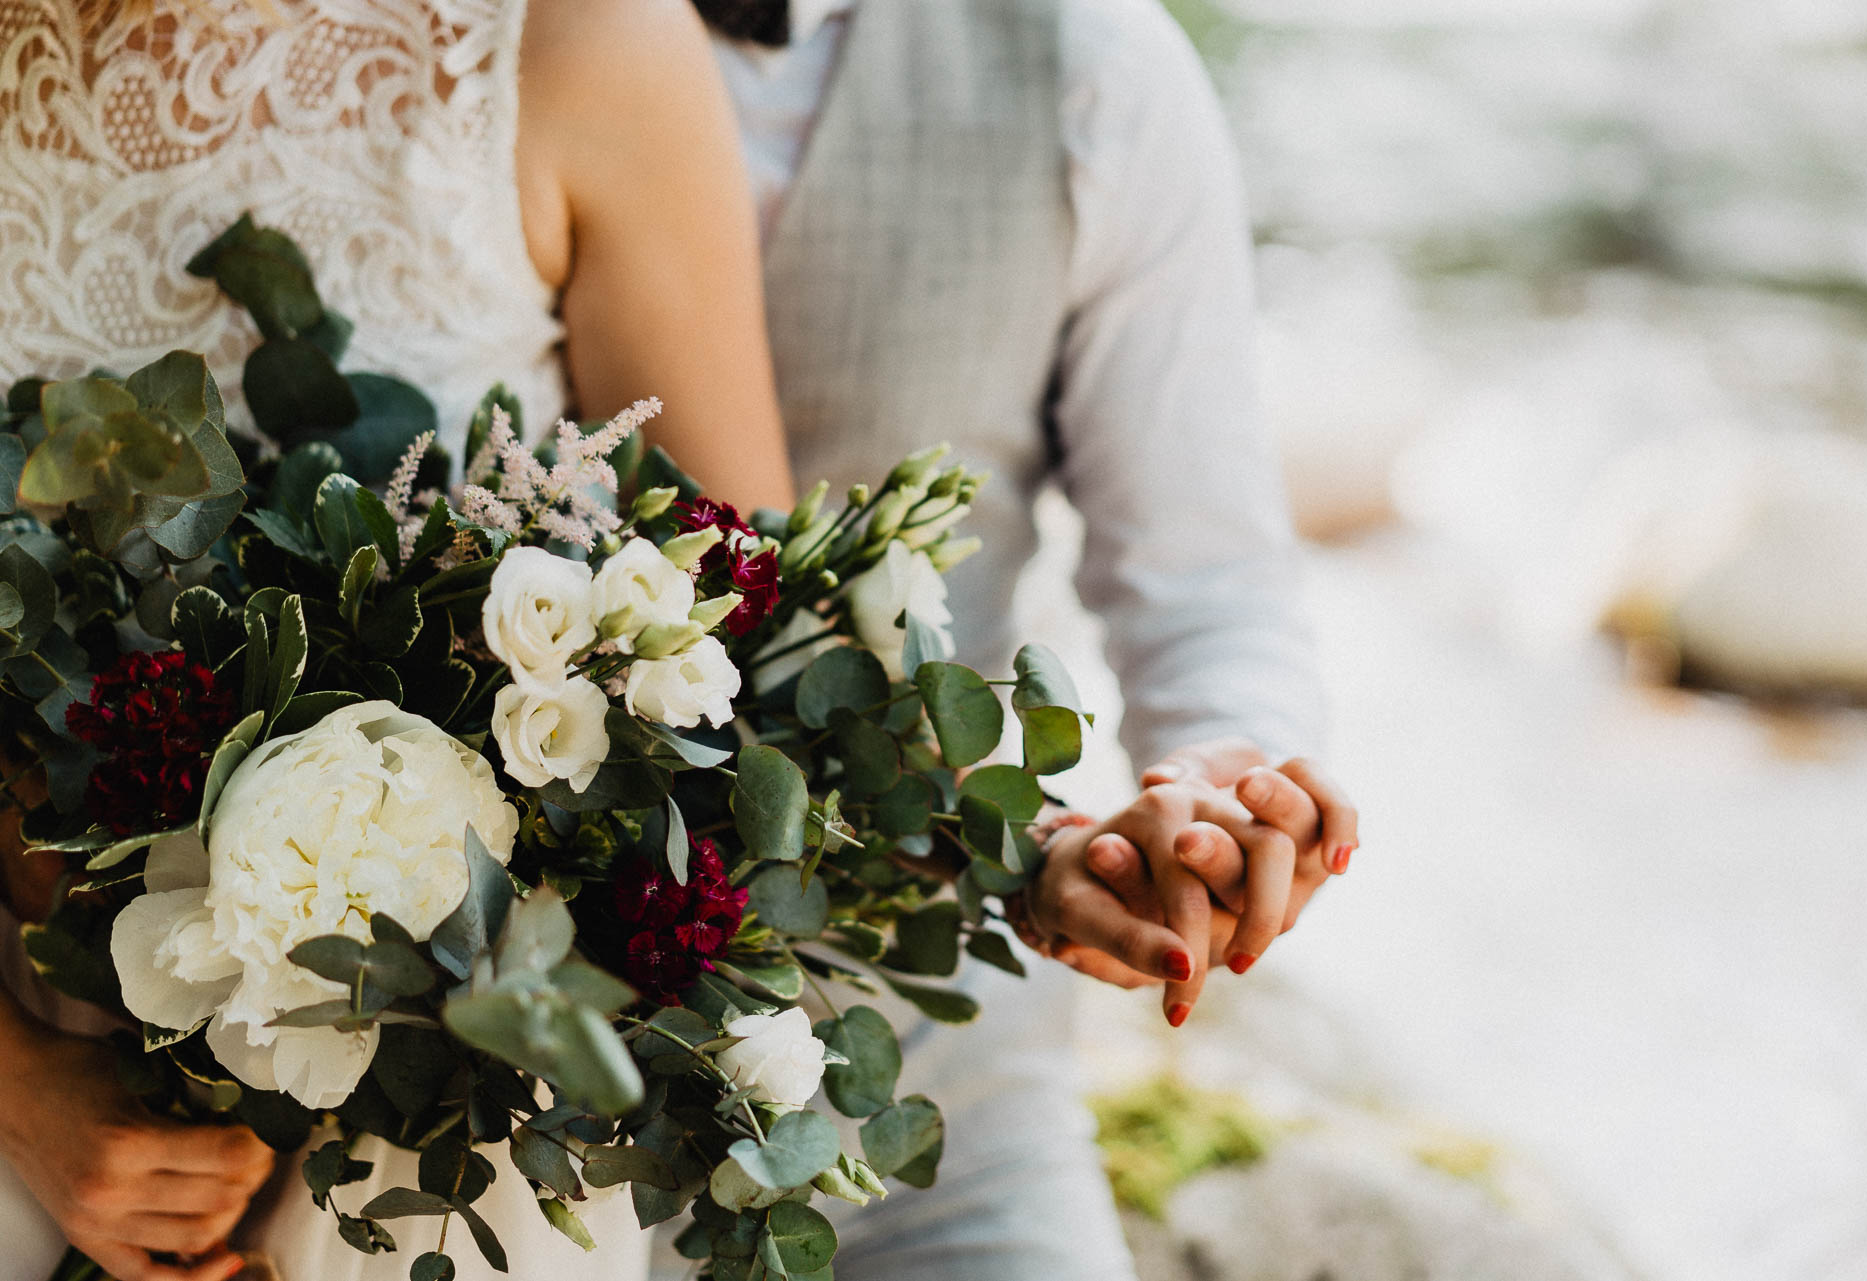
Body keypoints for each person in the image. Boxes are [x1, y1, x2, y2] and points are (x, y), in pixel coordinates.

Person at [0, 1, 790, 1276]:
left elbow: (741, 629)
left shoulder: (583, 42)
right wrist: (17, 1083)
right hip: (36, 1029)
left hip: (463, 1106)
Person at [684, 1, 1360, 1278]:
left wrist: (1220, 802)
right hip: (505, 1098)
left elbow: (1206, 579)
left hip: (933, 1102)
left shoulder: (1092, 65)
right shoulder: (457, 52)